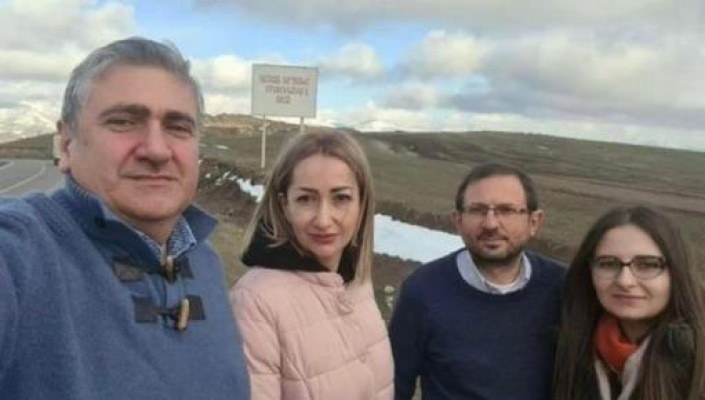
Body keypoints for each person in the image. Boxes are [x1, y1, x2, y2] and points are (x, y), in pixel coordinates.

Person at [0, 37, 249, 399]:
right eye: (123, 121)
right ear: (66, 144)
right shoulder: (18, 254)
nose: (156, 150)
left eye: (178, 127)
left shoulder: (204, 261)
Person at [229, 130, 394, 399]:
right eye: (305, 199)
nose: (323, 220)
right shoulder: (255, 302)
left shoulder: (358, 281)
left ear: (362, 203)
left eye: (341, 198)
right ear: (284, 205)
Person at [389, 161, 565, 399]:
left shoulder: (562, 288)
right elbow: (395, 387)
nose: (491, 224)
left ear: (534, 222)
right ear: (458, 220)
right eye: (477, 210)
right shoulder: (423, 291)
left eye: (506, 210)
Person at [553, 205, 705, 399]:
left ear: (677, 272)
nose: (625, 281)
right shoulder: (568, 348)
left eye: (647, 265)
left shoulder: (697, 361)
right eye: (608, 264)